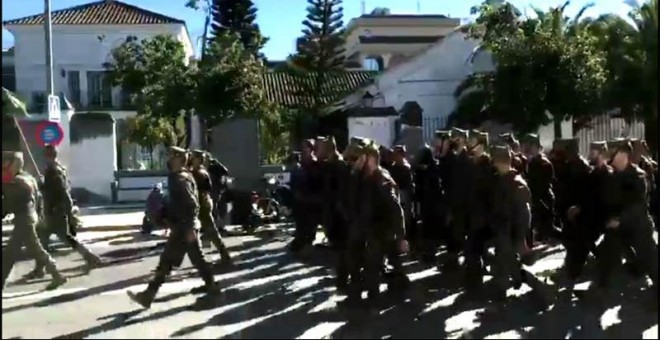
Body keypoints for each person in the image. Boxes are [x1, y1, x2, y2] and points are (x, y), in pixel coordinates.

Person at [127, 146, 221, 309]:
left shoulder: (180, 179)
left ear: (178, 158)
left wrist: (190, 226)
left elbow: (191, 204)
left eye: (171, 156)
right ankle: (149, 295)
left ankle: (213, 291)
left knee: (181, 261)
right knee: (175, 261)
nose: (168, 159)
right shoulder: (182, 175)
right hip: (181, 227)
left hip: (184, 228)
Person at [591, 140, 658, 306]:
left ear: (624, 156)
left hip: (638, 225)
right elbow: (609, 201)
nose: (612, 158)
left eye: (616, 154)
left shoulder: (637, 175)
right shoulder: (613, 176)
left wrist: (619, 219)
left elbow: (638, 205)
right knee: (607, 254)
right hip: (619, 226)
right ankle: (600, 289)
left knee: (650, 260)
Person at [489, 145, 554, 308]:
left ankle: (541, 290)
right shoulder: (503, 180)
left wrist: (520, 239)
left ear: (499, 162)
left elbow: (524, 215)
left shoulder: (516, 184)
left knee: (508, 266)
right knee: (507, 266)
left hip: (511, 234)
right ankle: (503, 297)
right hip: (504, 232)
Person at [34, 145, 103, 278]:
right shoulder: (56, 169)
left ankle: (90, 257)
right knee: (45, 238)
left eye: (45, 156)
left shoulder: (53, 171)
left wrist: (42, 186)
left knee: (56, 238)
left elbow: (60, 192)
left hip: (55, 211)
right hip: (54, 210)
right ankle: (40, 268)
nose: (44, 159)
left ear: (48, 156)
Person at [2, 151, 67, 290]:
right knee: (35, 250)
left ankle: (57, 275)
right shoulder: (28, 178)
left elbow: (9, 203)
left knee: (10, 254)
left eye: (7, 163)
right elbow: (38, 199)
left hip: (23, 220)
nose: (4, 166)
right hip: (29, 218)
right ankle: (57, 275)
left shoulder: (16, 181)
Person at [558, 141, 613, 295]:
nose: (590, 154)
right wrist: (578, 208)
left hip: (600, 218)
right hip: (588, 216)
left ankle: (572, 277)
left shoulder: (607, 174)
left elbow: (603, 201)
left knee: (582, 242)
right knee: (574, 236)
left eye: (593, 152)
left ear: (601, 153)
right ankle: (571, 274)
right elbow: (587, 196)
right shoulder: (594, 172)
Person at [463, 130, 497, 291]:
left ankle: (475, 284)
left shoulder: (489, 166)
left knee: (473, 249)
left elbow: (491, 193)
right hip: (472, 213)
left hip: (483, 215)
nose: (470, 146)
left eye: (473, 143)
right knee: (476, 248)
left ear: (482, 145)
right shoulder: (471, 164)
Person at [190, 150, 232, 267]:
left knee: (209, 230)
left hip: (202, 203)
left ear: (198, 159)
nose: (190, 159)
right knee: (208, 230)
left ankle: (222, 255)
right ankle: (222, 255)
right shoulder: (199, 171)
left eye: (193, 157)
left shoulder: (199, 173)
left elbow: (201, 190)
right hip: (203, 203)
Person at [522, 133, 560, 244]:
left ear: (536, 147)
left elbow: (541, 184)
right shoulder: (531, 162)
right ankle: (528, 250)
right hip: (535, 199)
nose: (528, 149)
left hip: (543, 200)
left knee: (548, 229)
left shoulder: (543, 163)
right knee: (529, 226)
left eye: (530, 146)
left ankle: (569, 239)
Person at [413, 145, 444, 263]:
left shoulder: (432, 169)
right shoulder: (425, 169)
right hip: (427, 204)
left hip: (432, 204)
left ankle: (430, 254)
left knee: (430, 230)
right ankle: (428, 253)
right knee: (427, 229)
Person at [389, 145, 416, 252]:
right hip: (397, 194)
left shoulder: (405, 167)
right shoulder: (394, 167)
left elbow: (409, 185)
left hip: (404, 195)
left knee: (405, 220)